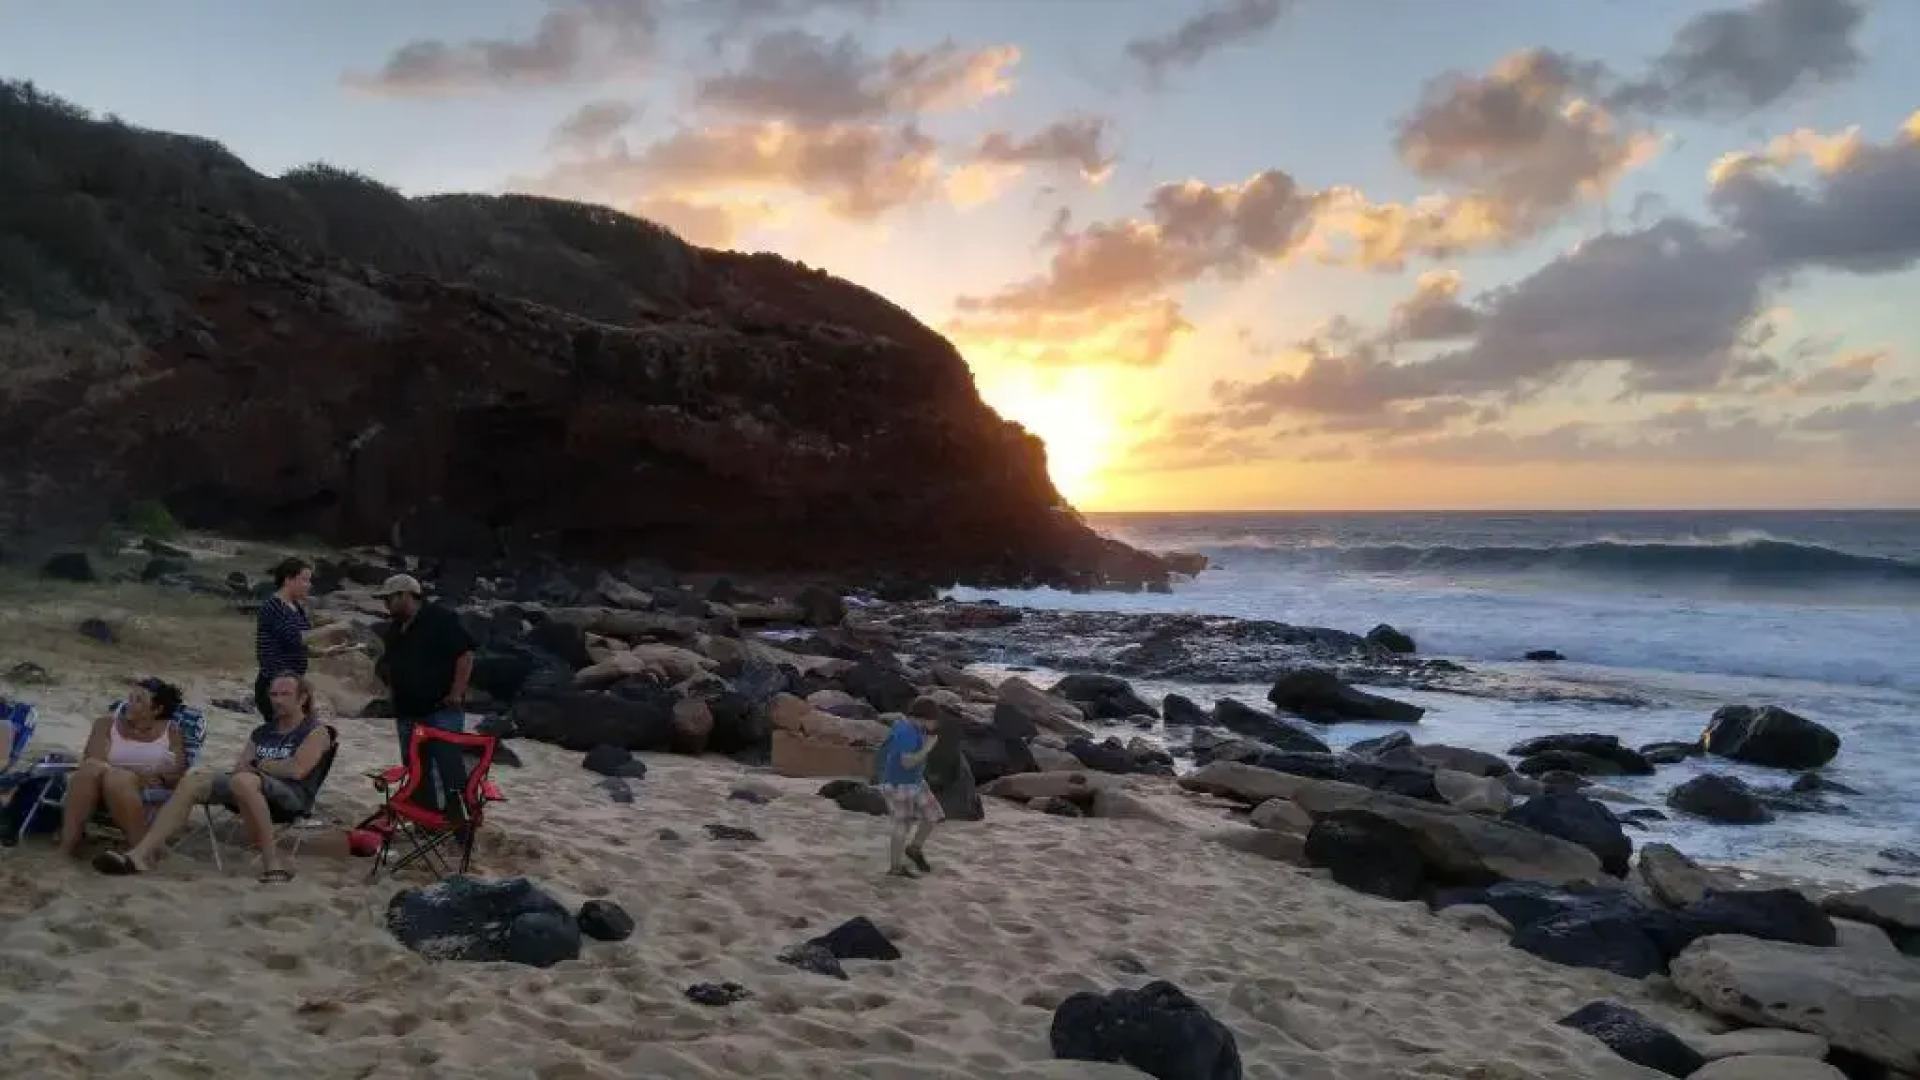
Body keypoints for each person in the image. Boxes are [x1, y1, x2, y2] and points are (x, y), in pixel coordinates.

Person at [94, 673, 331, 882]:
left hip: (291, 798)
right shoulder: (262, 732)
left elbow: (297, 770)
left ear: (302, 698)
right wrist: (258, 768)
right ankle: (138, 855)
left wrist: (260, 764)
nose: (277, 700)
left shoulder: (315, 731)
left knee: (244, 780)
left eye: (285, 694)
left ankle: (272, 865)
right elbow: (240, 765)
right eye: (274, 694)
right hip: (248, 788)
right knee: (195, 780)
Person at [373, 574, 476, 813]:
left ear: (407, 595)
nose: (385, 605)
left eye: (389, 599)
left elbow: (465, 654)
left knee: (449, 773)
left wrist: (456, 693)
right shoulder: (395, 629)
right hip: (407, 713)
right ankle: (425, 822)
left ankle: (459, 826)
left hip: (441, 711)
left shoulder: (441, 619)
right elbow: (389, 664)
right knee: (416, 772)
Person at [54, 678, 187, 855]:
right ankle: (68, 846)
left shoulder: (171, 733)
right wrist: (135, 774)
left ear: (157, 709)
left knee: (117, 778)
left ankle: (139, 849)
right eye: (129, 698)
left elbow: (177, 773)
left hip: (143, 790)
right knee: (91, 769)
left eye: (138, 700)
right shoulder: (106, 724)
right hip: (98, 781)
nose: (129, 704)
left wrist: (158, 777)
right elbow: (94, 758)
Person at [254, 557, 352, 718]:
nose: (309, 585)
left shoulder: (296, 608)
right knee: (288, 736)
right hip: (276, 685)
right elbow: (298, 638)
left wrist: (326, 652)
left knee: (306, 734)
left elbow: (296, 646)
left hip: (295, 685)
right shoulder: (272, 607)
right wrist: (334, 627)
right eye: (305, 580)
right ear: (288, 580)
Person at [876, 700, 944, 878]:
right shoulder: (906, 732)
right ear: (924, 718)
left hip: (915, 781)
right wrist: (928, 747)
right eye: (934, 720)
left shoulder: (916, 727)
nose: (935, 725)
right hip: (898, 784)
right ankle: (896, 868)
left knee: (933, 815)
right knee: (902, 825)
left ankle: (914, 849)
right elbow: (906, 762)